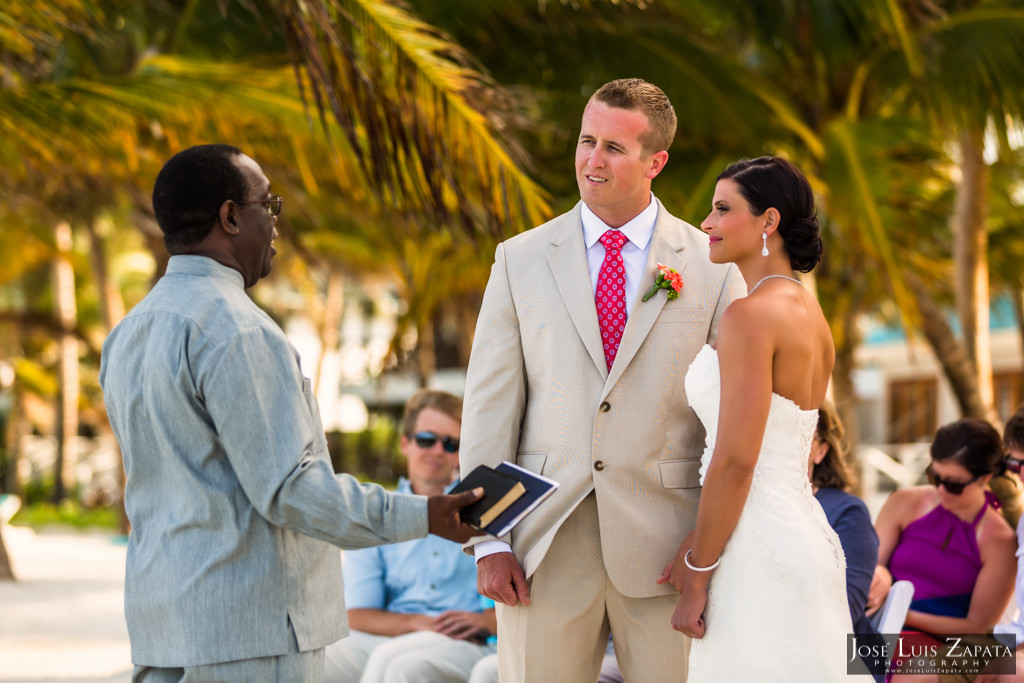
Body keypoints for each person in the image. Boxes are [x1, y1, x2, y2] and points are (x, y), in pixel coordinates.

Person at [99, 144, 481, 682]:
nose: (276, 225)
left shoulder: (129, 332)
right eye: (268, 206)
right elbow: (291, 491)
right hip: (251, 630)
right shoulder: (240, 330)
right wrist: (425, 515)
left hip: (164, 621)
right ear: (231, 217)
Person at [459, 78, 746, 682]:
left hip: (670, 545)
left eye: (614, 148)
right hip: (543, 541)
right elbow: (489, 406)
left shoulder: (712, 267)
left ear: (655, 162)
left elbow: (732, 421)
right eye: (587, 140)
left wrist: (706, 541)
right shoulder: (519, 259)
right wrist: (488, 541)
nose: (592, 159)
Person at [663, 156, 852, 681]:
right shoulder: (812, 317)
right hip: (802, 539)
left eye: (723, 209)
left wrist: (698, 575)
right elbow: (784, 455)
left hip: (754, 557)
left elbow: (737, 460)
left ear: (768, 221)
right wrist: (701, 538)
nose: (706, 223)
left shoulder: (748, 315)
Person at [323, 389, 497, 682]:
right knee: (318, 657)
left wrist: (485, 622)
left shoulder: (483, 510)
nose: (438, 451)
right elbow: (357, 614)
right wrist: (418, 622)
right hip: (398, 632)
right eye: (426, 439)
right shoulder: (380, 513)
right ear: (405, 443)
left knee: (401, 666)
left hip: (465, 640)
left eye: (451, 444)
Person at [869, 418, 1016, 642]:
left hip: (945, 644)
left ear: (984, 478)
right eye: (935, 477)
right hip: (877, 622)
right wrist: (880, 575)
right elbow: (871, 564)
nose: (940, 489)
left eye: (953, 484)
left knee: (871, 668)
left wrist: (902, 614)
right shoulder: (904, 502)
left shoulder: (1000, 540)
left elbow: (978, 627)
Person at [811, 401, 884, 681]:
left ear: (821, 450)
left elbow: (847, 609)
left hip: (841, 657)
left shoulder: (847, 510)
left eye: (803, 435)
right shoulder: (746, 508)